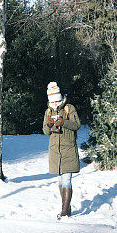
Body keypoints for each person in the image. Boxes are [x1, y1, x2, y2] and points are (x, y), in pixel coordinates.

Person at [43, 81, 81, 219]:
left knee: (66, 180)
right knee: (61, 181)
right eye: (52, 101)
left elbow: (77, 125)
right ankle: (67, 207)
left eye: (57, 101)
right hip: (55, 151)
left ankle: (64, 212)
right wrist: (49, 124)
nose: (55, 104)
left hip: (68, 149)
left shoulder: (69, 108)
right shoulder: (48, 111)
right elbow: (45, 131)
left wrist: (63, 122)